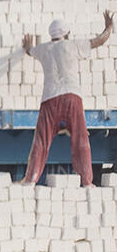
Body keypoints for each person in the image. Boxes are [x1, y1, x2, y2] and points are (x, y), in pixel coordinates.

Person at [19, 12, 113, 186]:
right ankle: (86, 182)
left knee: (41, 140)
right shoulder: (72, 45)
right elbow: (99, 40)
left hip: (49, 99)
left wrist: (27, 46)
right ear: (67, 34)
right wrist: (109, 26)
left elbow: (29, 51)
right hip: (71, 97)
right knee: (80, 139)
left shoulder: (43, 49)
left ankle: (30, 180)